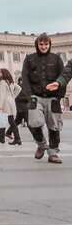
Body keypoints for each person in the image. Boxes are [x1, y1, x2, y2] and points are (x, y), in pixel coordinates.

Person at [22, 33, 65, 164]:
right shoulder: (29, 59)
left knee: (54, 126)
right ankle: (41, 144)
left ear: (49, 44)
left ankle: (53, 153)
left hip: (53, 98)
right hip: (36, 97)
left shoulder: (57, 59)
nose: (44, 46)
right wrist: (29, 96)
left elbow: (63, 77)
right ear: (37, 45)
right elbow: (25, 78)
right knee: (33, 122)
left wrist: (59, 96)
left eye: (46, 44)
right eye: (41, 44)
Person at [0, 68, 21, 145]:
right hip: (10, 102)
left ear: (3, 74)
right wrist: (12, 96)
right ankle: (1, 137)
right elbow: (19, 88)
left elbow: (2, 95)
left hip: (4, 103)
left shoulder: (2, 82)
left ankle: (17, 139)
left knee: (10, 121)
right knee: (3, 120)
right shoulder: (10, 82)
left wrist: (0, 106)